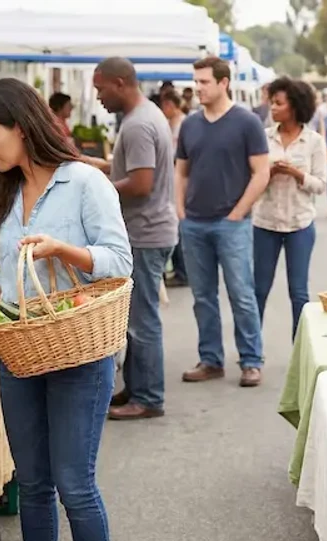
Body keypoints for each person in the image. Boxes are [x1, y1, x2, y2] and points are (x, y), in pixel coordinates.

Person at [0, 78, 132, 541]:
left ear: (22, 127)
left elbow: (120, 261)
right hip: (21, 356)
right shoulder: (6, 193)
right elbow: (8, 276)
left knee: (74, 487)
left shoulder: (86, 182)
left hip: (78, 354)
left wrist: (63, 251)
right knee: (32, 486)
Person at [175, 56, 270, 387]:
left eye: (204, 82)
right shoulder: (190, 125)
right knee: (203, 297)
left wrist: (237, 213)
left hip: (231, 224)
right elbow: (181, 171)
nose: (197, 88)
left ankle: (251, 360)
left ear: (223, 83)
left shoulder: (247, 122)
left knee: (241, 294)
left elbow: (262, 172)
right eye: (196, 81)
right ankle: (211, 359)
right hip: (194, 224)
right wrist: (180, 211)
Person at [93, 58, 178, 420]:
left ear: (120, 82)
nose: (98, 97)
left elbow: (141, 184)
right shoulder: (144, 116)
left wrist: (100, 191)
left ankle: (149, 398)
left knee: (141, 322)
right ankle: (137, 388)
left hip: (145, 231)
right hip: (148, 229)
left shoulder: (138, 125)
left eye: (101, 89)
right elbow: (131, 171)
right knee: (135, 319)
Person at [253, 77, 326, 340]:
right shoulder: (263, 138)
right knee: (258, 290)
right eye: (272, 102)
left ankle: (299, 350)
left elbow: (320, 185)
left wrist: (296, 173)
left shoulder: (314, 141)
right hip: (265, 224)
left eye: (278, 103)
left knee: (299, 293)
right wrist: (270, 173)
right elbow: (252, 181)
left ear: (294, 106)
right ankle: (252, 352)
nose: (272, 107)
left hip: (300, 225)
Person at [156, 87, 190, 289]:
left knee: (178, 226)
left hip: (180, 181)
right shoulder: (169, 124)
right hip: (171, 178)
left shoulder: (184, 124)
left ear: (170, 105)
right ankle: (179, 269)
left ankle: (183, 271)